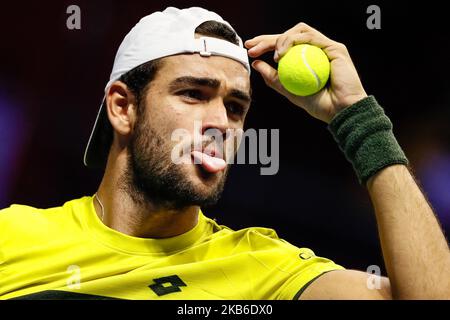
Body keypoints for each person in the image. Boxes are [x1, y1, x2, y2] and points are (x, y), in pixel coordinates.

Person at [0, 6, 449, 300]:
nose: (222, 123)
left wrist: (358, 118)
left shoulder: (261, 267)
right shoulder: (12, 237)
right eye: (194, 94)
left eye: (236, 107)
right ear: (123, 107)